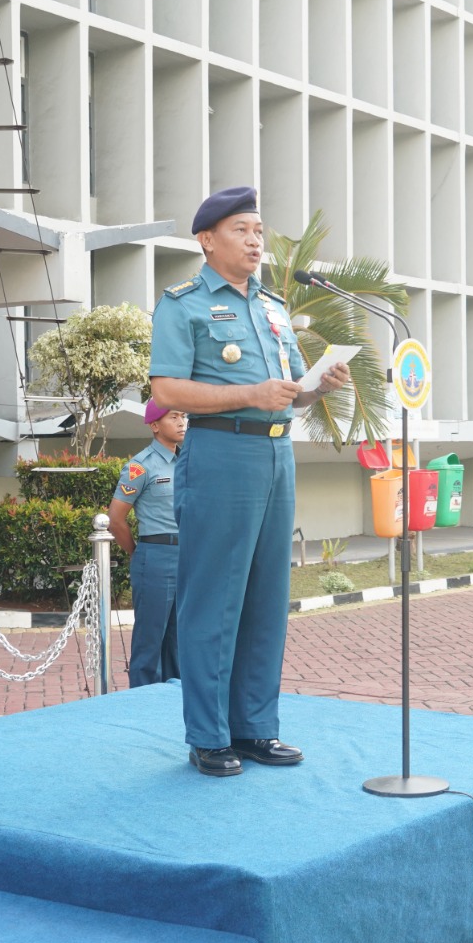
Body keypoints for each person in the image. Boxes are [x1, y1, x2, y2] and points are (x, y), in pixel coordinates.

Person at [148, 186, 351, 777]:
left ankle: (256, 727)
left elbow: (287, 387)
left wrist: (318, 384)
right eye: (242, 230)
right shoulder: (182, 303)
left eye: (259, 230)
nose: (256, 240)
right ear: (207, 240)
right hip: (218, 455)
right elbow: (165, 391)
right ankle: (209, 735)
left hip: (275, 455)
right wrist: (250, 394)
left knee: (266, 598)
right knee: (214, 596)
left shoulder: (273, 308)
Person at [108, 400, 187, 688]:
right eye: (173, 417)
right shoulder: (140, 467)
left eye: (182, 416)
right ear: (155, 426)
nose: (181, 422)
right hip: (155, 555)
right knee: (150, 638)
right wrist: (138, 553)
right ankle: (141, 700)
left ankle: (175, 698)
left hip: (186, 555)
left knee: (179, 638)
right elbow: (116, 519)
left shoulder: (187, 461)